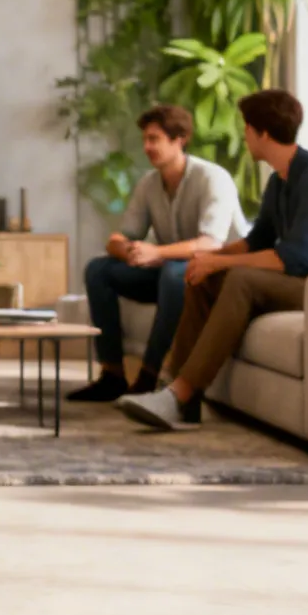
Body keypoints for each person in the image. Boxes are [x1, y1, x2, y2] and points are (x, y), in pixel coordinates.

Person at [117, 89, 308, 431]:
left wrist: (222, 263)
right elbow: (257, 241)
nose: (244, 136)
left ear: (262, 133)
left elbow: (294, 258)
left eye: (246, 128)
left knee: (242, 279)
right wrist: (207, 259)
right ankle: (180, 398)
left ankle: (178, 394)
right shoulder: (280, 180)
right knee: (201, 275)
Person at [66, 104, 243, 403]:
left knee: (174, 273)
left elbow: (210, 244)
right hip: (168, 271)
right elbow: (122, 236)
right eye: (145, 139)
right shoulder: (149, 183)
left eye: (154, 139)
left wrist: (155, 251)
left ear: (180, 139)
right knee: (98, 270)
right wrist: (128, 250)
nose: (147, 147)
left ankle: (149, 377)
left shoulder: (212, 178)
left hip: (219, 275)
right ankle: (112, 375)